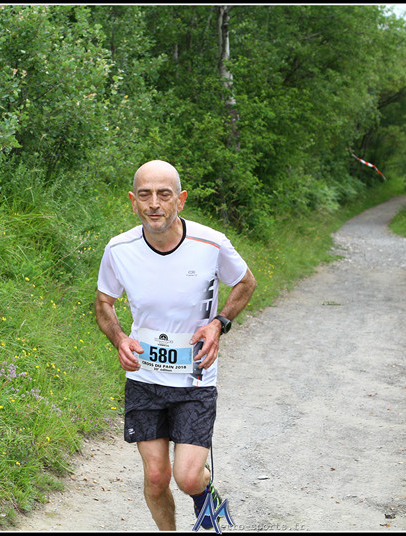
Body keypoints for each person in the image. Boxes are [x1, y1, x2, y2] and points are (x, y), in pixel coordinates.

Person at [95, 160, 257, 531]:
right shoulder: (119, 249)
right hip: (145, 377)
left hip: (194, 378)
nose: (154, 204)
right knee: (155, 477)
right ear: (133, 201)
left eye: (163, 194)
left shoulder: (211, 243)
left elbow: (246, 282)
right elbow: (104, 302)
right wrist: (120, 339)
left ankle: (205, 495)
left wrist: (218, 323)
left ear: (180, 200)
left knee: (187, 477)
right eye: (145, 195)